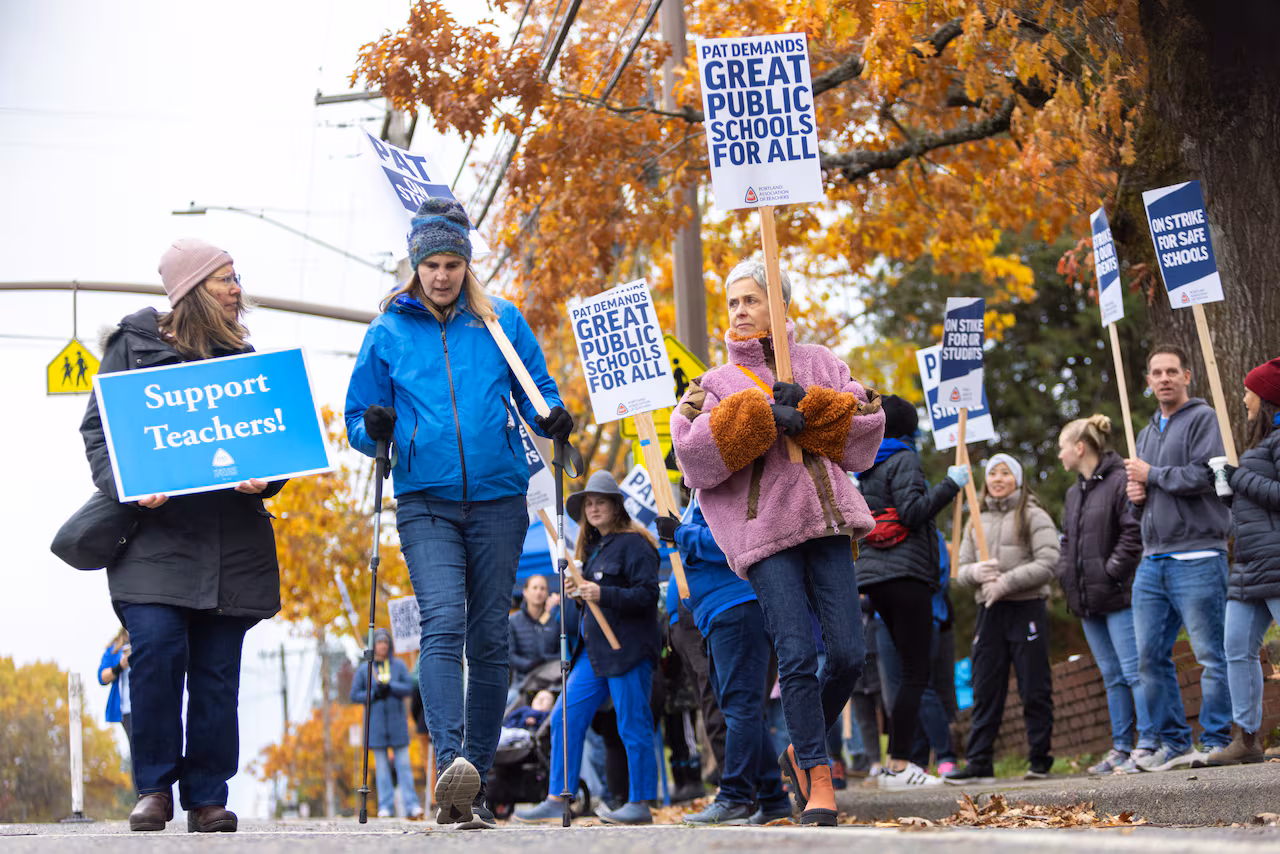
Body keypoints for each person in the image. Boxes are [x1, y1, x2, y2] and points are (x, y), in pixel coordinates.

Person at [345, 198, 572, 828]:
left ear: (467, 264)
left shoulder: (501, 321)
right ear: (415, 266)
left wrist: (552, 417)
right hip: (426, 501)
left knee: (489, 634)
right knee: (443, 622)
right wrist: (375, 427)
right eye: (431, 265)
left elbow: (538, 393)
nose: (442, 275)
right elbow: (357, 420)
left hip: (499, 497)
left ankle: (474, 775)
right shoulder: (387, 332)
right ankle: (450, 762)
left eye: (452, 264)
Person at [79, 238, 285, 833]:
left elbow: (269, 441)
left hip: (230, 544)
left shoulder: (242, 357)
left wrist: (266, 480)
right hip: (154, 543)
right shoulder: (131, 348)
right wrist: (129, 485)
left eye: (236, 277)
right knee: (157, 654)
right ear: (192, 289)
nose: (236, 289)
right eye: (224, 279)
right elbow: (98, 433)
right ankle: (154, 788)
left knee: (217, 675)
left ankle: (207, 797)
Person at [671, 258, 885, 826]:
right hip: (764, 534)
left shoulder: (822, 362)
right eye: (733, 302)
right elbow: (691, 454)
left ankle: (799, 747)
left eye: (752, 299)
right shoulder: (713, 383)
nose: (740, 311)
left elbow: (866, 428)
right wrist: (764, 414)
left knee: (848, 654)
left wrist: (810, 407)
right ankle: (818, 776)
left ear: (780, 305)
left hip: (828, 523)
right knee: (795, 655)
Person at [513, 470, 660, 826]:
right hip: (592, 655)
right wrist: (578, 595)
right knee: (564, 717)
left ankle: (640, 802)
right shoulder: (592, 550)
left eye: (600, 502)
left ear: (616, 506)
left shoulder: (636, 544)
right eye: (589, 503)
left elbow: (647, 595)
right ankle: (557, 797)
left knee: (632, 724)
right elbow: (592, 602)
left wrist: (601, 593)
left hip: (627, 650)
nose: (593, 508)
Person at [1124, 345, 1232, 771]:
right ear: (1148, 381)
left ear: (1187, 376)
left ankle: (1217, 740)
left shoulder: (1204, 419)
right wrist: (1136, 497)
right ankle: (1174, 744)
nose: (1164, 378)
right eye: (1157, 372)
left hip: (1199, 553)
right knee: (1149, 658)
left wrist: (1152, 475)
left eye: (1172, 371)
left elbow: (1207, 474)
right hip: (1153, 560)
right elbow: (1147, 497)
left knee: (1211, 655)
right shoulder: (1145, 433)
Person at [658, 492, 792, 826]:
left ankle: (734, 796)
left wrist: (681, 533)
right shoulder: (701, 495)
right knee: (740, 708)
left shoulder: (724, 486)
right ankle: (772, 798)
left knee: (740, 707)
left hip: (735, 606)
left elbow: (732, 541)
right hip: (717, 612)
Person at [854, 394, 968, 787]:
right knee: (916, 672)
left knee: (907, 672)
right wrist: (950, 485)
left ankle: (897, 763)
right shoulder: (903, 457)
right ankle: (900, 764)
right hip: (906, 574)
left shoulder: (867, 464)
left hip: (875, 579)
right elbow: (912, 512)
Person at [945, 454, 1060, 784]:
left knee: (1034, 686)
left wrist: (1006, 582)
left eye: (1005, 473)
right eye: (993, 473)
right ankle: (979, 762)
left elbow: (1049, 561)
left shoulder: (1033, 514)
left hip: (1026, 608)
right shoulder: (975, 519)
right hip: (990, 612)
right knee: (985, 687)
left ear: (1017, 480)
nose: (998, 478)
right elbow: (960, 570)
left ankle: (1039, 759)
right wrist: (975, 573)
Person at [1055, 414, 1151, 774]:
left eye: (1063, 447)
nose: (1060, 455)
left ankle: (1148, 743)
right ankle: (1121, 748)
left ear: (1080, 448)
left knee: (1134, 671)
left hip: (1118, 595)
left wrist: (1111, 572)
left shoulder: (1119, 481)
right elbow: (1067, 542)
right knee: (1111, 675)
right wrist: (1066, 574)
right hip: (1086, 601)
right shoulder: (1072, 493)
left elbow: (1132, 533)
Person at [1206, 357, 1280, 765]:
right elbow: (1257, 507)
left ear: (1266, 398)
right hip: (1250, 566)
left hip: (1276, 562)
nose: (1244, 399)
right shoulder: (1261, 445)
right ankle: (1247, 739)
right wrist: (1227, 492)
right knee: (1236, 647)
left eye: (1249, 392)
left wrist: (1239, 478)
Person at [351, 628, 423, 818]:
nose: (382, 645)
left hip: (397, 724)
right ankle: (385, 806)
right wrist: (374, 694)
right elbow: (355, 694)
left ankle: (411, 805)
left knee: (404, 766)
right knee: (382, 769)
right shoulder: (366, 669)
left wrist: (391, 687)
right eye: (379, 642)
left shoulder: (398, 665)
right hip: (376, 726)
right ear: (373, 645)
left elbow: (409, 687)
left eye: (385, 642)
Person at [508, 574, 559, 696]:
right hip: (521, 684)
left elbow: (562, 653)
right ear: (525, 592)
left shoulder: (555, 620)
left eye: (542, 588)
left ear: (547, 593)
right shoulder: (513, 621)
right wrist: (531, 664)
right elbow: (510, 656)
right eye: (535, 588)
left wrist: (544, 661)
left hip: (551, 683)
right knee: (509, 702)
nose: (538, 592)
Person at [98, 627, 134, 786]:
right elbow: (102, 677)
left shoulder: (146, 641)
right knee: (137, 751)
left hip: (147, 706)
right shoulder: (115, 649)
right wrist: (120, 666)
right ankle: (143, 794)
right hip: (126, 709)